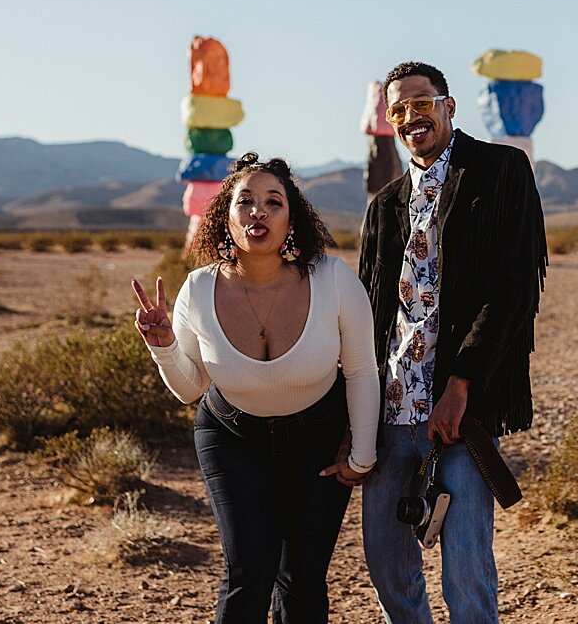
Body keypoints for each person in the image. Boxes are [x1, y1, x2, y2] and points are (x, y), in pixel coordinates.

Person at [131, 153, 379, 624]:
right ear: (225, 216)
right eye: (245, 202)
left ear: (293, 218)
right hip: (233, 439)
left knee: (303, 578)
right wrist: (162, 345)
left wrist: (361, 454)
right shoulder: (199, 289)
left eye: (273, 202)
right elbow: (189, 389)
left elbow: (362, 370)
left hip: (317, 440)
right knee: (248, 571)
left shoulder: (332, 278)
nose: (258, 211)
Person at [352, 61, 547, 624]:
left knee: (465, 564)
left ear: (449, 105)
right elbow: (370, 311)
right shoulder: (384, 203)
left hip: (458, 407)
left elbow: (513, 287)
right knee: (387, 560)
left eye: (422, 102)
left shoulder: (500, 169)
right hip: (391, 409)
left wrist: (462, 384)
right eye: (398, 109)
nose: (411, 116)